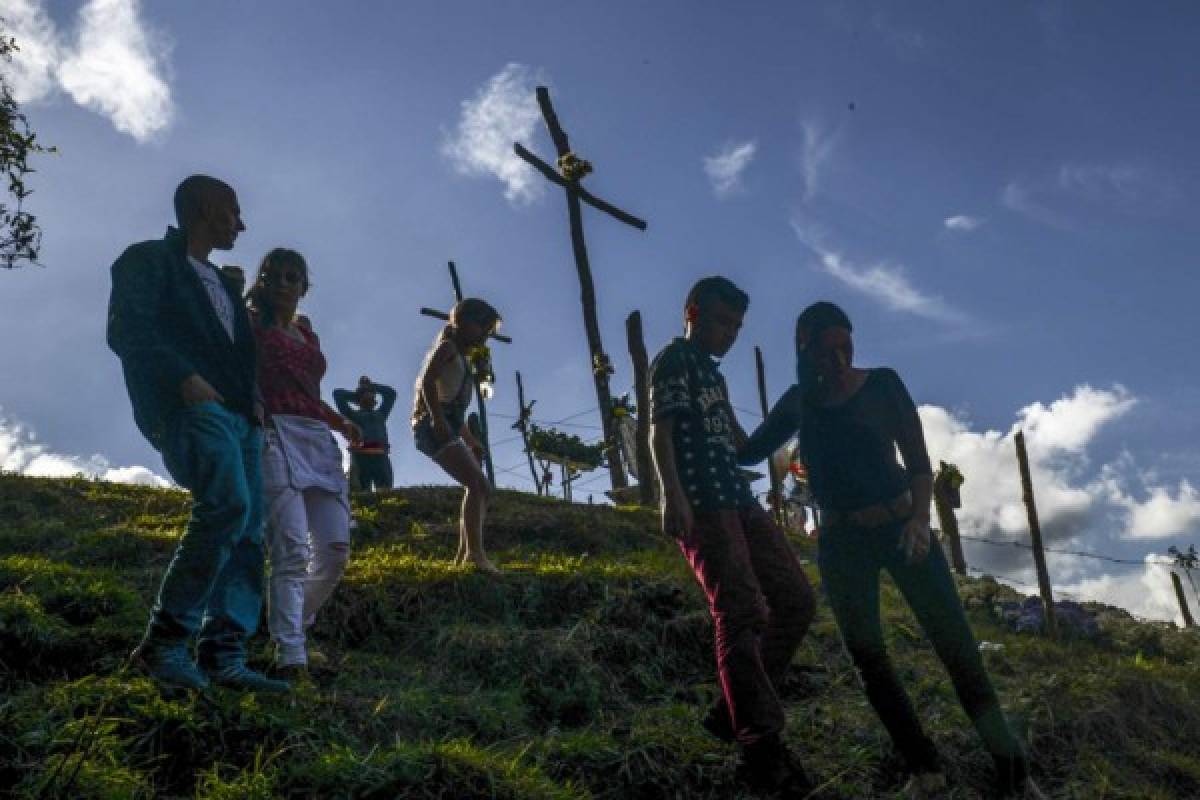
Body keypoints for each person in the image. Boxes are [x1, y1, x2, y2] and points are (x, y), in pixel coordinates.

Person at [738, 301, 1044, 799]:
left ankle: (1014, 774)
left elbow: (920, 463)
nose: (839, 358)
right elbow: (747, 451)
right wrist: (707, 409)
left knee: (956, 646)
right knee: (868, 658)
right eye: (827, 348)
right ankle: (925, 772)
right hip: (841, 542)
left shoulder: (882, 385)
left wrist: (921, 521)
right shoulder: (798, 403)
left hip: (903, 526)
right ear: (804, 349)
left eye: (846, 346)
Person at [106, 175, 287, 693]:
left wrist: (252, 400)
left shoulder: (225, 285)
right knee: (226, 505)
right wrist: (183, 379)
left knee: (251, 533)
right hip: (189, 407)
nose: (241, 223)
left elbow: (236, 352)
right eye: (233, 211)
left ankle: (224, 657)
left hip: (241, 417)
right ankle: (163, 644)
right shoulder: (146, 259)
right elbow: (128, 330)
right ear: (207, 208)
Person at [649, 276, 817, 796]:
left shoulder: (714, 379)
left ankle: (731, 710)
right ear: (693, 312)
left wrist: (788, 422)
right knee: (740, 610)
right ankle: (760, 743)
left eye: (737, 327)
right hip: (703, 499)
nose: (730, 334)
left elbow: (743, 448)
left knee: (794, 600)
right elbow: (662, 432)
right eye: (723, 322)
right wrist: (671, 495)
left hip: (739, 499)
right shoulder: (675, 360)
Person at [247, 248, 361, 679]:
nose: (282, 283)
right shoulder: (251, 325)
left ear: (303, 287)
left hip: (315, 436)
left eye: (292, 277)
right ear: (262, 281)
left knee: (334, 551)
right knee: (291, 548)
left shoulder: (307, 334)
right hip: (274, 432)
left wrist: (339, 420)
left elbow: (310, 393)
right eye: (273, 276)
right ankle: (290, 654)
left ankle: (290, 621)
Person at [412, 299, 500, 574]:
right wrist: (437, 419)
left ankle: (465, 556)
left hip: (447, 422)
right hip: (431, 423)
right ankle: (475, 555)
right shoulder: (447, 348)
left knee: (479, 487)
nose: (485, 334)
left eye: (488, 330)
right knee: (479, 485)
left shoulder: (464, 361)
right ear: (460, 322)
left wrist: (471, 441)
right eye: (481, 327)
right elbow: (427, 382)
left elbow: (457, 412)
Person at [334, 376, 397, 492]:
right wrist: (358, 395)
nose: (369, 395)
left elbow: (391, 394)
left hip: (381, 456)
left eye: (372, 394)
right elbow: (338, 394)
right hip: (360, 457)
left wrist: (372, 386)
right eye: (366, 394)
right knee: (361, 493)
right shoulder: (352, 415)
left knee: (386, 493)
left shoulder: (381, 414)